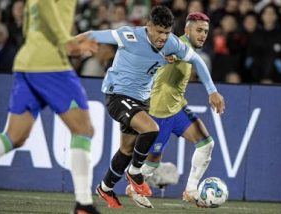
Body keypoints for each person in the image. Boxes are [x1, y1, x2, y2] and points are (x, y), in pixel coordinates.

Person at [77, 5, 225, 208]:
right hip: (133, 101)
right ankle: (134, 176)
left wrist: (212, 90)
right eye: (159, 32)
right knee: (149, 139)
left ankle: (106, 187)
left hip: (157, 105)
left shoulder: (173, 44)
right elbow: (95, 35)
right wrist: (70, 44)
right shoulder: (134, 37)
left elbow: (197, 61)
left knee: (127, 150)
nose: (163, 37)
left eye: (167, 32)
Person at [0, 1, 99, 214]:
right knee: (83, 130)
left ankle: (84, 205)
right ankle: (84, 205)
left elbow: (29, 21)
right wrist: (66, 42)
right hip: (50, 64)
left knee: (15, 136)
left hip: (27, 61)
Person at [137, 11, 218, 208]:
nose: (203, 35)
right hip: (159, 112)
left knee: (206, 144)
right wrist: (212, 91)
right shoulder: (174, 44)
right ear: (186, 30)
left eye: (205, 31)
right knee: (153, 160)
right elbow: (157, 49)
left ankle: (191, 190)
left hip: (177, 108)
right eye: (198, 30)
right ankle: (133, 186)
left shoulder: (188, 48)